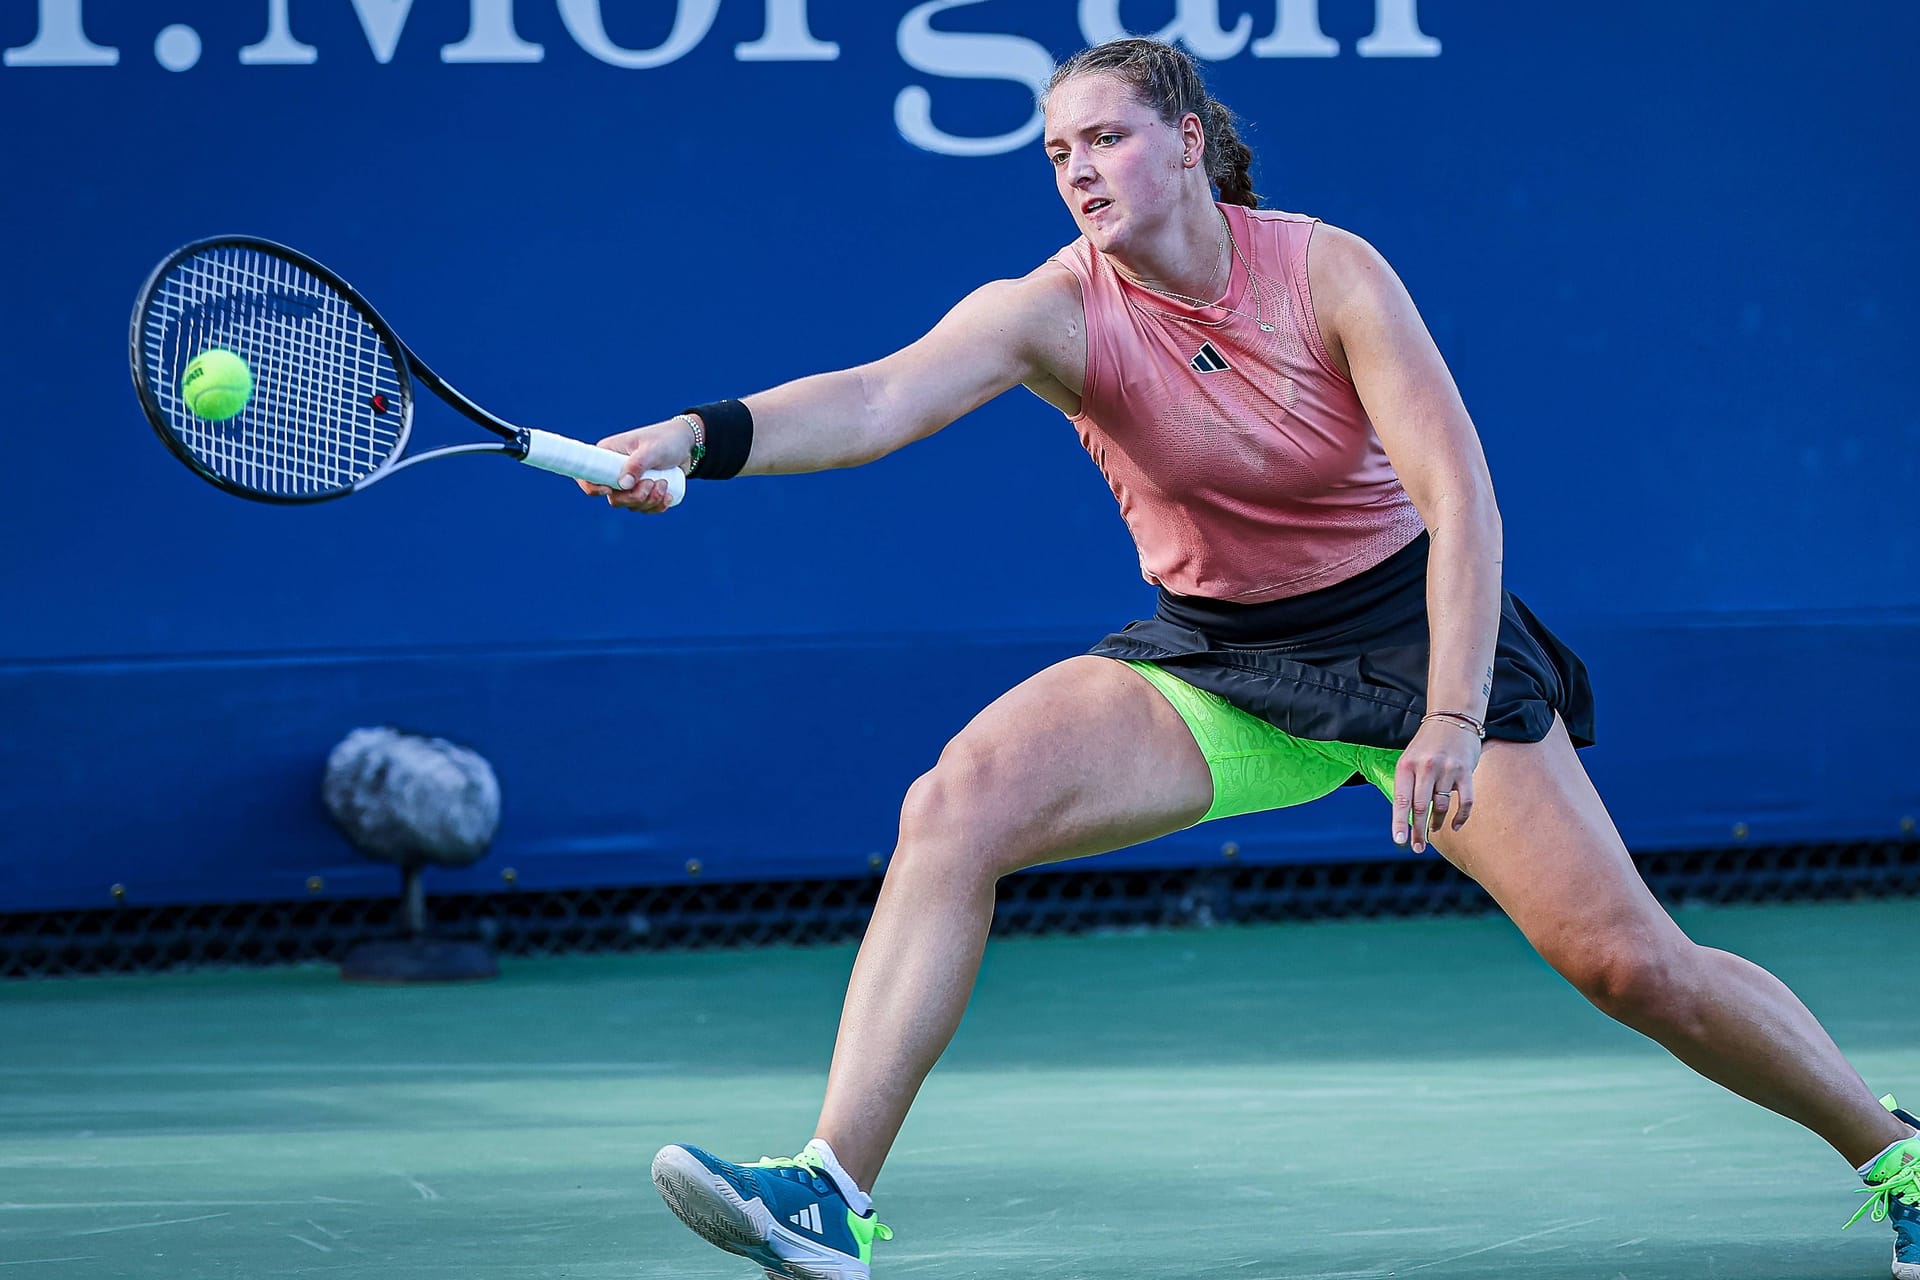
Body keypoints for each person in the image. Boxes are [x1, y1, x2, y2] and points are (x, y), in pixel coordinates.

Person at [583, 37, 1919, 1280]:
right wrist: (695, 439)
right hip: (1217, 659)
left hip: (1411, 642)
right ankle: (831, 1193)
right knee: (956, 804)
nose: (1079, 171)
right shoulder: (1051, 310)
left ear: (1182, 140)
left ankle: (1897, 1154)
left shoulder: (1328, 271)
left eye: (1103, 139)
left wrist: (1450, 714)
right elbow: (877, 397)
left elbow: (1463, 502)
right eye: (1057, 154)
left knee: (1632, 966)